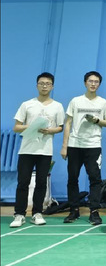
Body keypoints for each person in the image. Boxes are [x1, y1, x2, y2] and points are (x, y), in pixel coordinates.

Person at [10, 72, 65, 228]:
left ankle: (37, 213)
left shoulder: (57, 106)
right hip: (26, 150)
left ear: (52, 86)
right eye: (41, 83)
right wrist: (31, 126)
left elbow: (60, 127)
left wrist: (49, 130)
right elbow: (16, 127)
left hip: (45, 150)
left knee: (41, 183)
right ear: (37, 86)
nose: (44, 86)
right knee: (23, 182)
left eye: (48, 84)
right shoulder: (27, 104)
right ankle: (19, 214)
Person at [61, 71, 106, 226]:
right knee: (72, 178)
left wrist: (96, 120)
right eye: (90, 81)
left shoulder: (103, 103)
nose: (93, 84)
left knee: (95, 179)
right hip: (75, 145)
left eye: (96, 82)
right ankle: (74, 210)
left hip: (93, 145)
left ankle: (94, 211)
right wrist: (64, 146)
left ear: (99, 84)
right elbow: (68, 123)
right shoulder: (75, 101)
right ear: (85, 83)